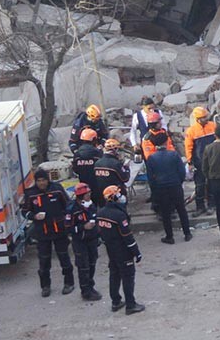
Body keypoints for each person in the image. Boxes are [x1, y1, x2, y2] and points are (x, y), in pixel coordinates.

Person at [21, 167, 75, 296]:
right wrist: (33, 216)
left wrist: (66, 221)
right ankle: (45, 286)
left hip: (59, 230)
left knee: (64, 258)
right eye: (39, 181)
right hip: (42, 233)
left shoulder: (57, 189)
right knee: (44, 261)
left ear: (48, 180)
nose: (42, 183)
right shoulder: (31, 193)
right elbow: (25, 211)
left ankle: (69, 283)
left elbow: (68, 205)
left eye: (44, 180)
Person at [93, 185, 145, 315]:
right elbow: (127, 237)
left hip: (111, 249)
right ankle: (130, 305)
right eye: (118, 194)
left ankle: (115, 301)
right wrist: (136, 253)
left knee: (114, 275)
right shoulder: (119, 215)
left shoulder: (100, 213)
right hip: (123, 251)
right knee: (127, 277)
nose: (121, 197)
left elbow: (100, 233)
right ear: (113, 197)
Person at [143, 127, 192, 243]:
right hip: (175, 186)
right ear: (166, 142)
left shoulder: (151, 158)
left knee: (166, 213)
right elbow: (181, 172)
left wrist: (154, 191)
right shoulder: (174, 155)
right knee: (181, 210)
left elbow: (150, 178)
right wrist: (178, 182)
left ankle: (169, 237)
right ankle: (187, 233)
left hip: (161, 188)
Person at [64, 183, 103, 301]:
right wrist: (82, 227)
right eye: (87, 194)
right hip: (80, 242)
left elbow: (95, 219)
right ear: (81, 196)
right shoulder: (72, 209)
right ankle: (85, 291)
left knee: (92, 264)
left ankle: (91, 286)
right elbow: (67, 227)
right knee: (83, 266)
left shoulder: (91, 206)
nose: (89, 195)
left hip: (92, 240)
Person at [183, 107, 219, 215]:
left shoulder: (213, 126)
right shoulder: (192, 131)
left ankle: (212, 205)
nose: (206, 119)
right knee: (199, 185)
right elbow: (188, 147)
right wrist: (190, 162)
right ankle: (200, 207)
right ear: (198, 119)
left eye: (206, 116)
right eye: (203, 117)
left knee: (212, 183)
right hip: (199, 162)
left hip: (212, 160)